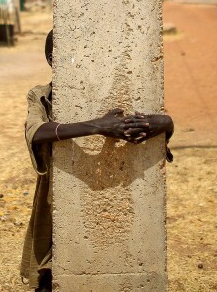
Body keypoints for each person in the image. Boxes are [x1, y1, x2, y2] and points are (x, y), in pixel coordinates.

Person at [20, 30, 174, 291]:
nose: (79, 60)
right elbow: (36, 132)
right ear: (50, 58)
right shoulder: (42, 95)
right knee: (51, 264)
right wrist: (99, 126)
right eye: (70, 54)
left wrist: (166, 124)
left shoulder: (107, 88)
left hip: (115, 193)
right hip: (59, 191)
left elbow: (147, 126)